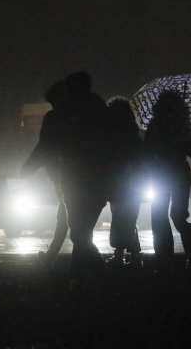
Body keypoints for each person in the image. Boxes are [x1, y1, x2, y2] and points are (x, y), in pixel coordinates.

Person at [55, 71, 110, 283]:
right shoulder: (99, 110)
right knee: (82, 234)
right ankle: (78, 277)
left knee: (79, 234)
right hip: (95, 181)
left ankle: (98, 276)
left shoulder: (68, 112)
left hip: (75, 180)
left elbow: (58, 143)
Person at [144, 90, 191, 272]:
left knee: (160, 217)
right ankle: (190, 257)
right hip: (177, 175)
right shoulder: (182, 126)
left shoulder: (156, 126)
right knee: (177, 216)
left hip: (162, 174)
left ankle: (165, 259)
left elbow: (146, 151)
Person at [21, 80, 69, 270]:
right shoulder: (84, 116)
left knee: (67, 219)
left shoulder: (54, 118)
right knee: (68, 219)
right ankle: (52, 257)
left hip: (62, 175)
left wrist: (29, 167)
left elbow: (44, 146)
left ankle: (93, 268)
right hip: (80, 173)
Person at [105, 96, 144, 269]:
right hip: (134, 185)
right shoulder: (134, 137)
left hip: (118, 184)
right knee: (129, 219)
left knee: (120, 218)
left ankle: (120, 253)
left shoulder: (111, 138)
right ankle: (134, 254)